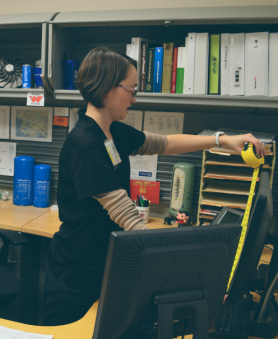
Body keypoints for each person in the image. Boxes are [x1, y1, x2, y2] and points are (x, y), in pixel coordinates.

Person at [44, 46, 266, 326]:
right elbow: (126, 215)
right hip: (76, 272)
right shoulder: (85, 144)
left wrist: (222, 141)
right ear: (107, 87)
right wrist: (190, 270)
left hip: (103, 264)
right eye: (132, 89)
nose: (134, 99)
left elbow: (164, 143)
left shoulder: (112, 131)